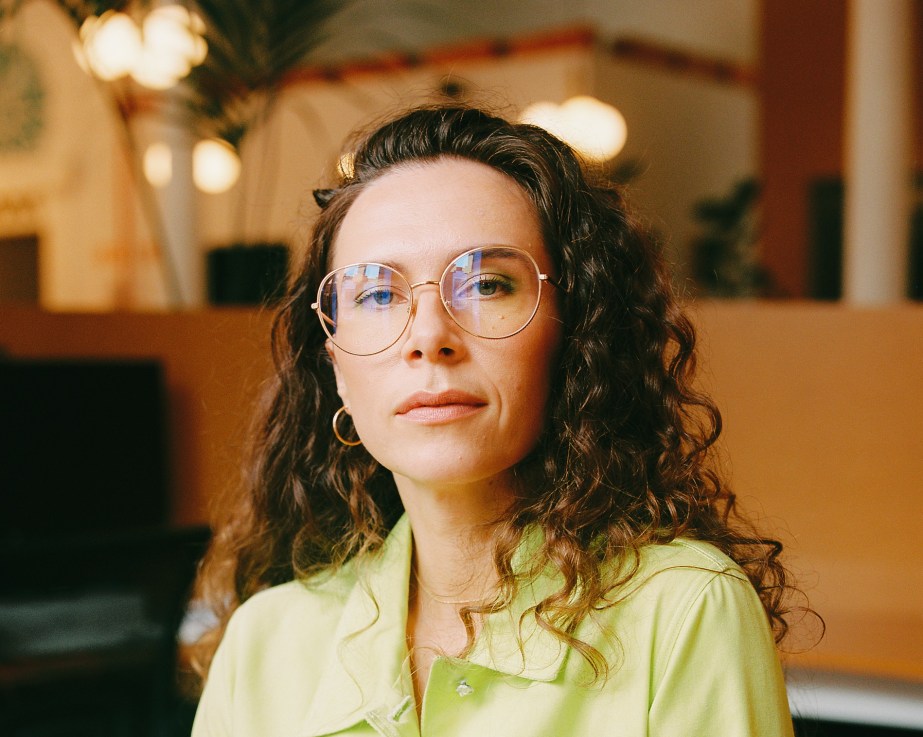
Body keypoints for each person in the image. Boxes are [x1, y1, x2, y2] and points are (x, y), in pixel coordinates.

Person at [190, 104, 801, 736]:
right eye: (376, 293)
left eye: (486, 285)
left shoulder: (685, 610)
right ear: (337, 367)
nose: (428, 337)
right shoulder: (263, 643)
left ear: (575, 335)